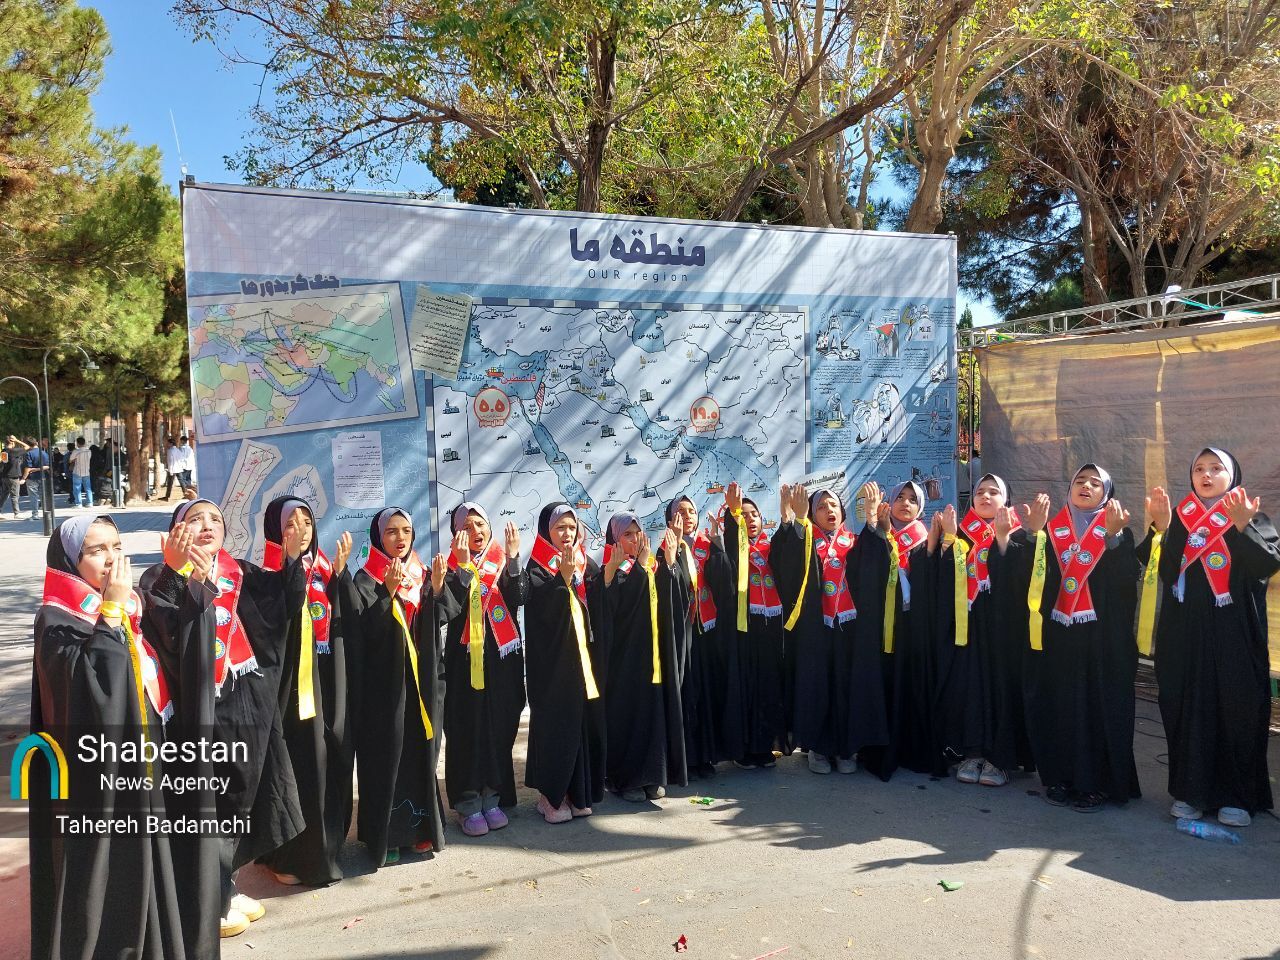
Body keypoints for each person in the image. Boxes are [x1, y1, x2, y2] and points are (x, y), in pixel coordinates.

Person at [30, 514, 216, 959]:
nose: (112, 558)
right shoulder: (57, 618)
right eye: (96, 551)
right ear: (72, 561)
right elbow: (90, 691)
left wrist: (174, 572)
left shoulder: (121, 603)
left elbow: (161, 632)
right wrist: (111, 613)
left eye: (116, 546)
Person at [139, 499, 307, 937]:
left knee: (239, 799)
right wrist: (182, 576)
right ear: (176, 532)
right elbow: (170, 635)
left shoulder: (241, 573)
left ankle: (226, 885)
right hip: (197, 713)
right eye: (194, 519)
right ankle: (206, 902)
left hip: (243, 706)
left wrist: (291, 559)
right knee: (207, 805)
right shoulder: (157, 580)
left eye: (215, 519)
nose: (207, 525)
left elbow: (280, 609)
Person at [1141, 449, 1280, 828]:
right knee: (1188, 706)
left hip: (1234, 631)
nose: (1206, 474)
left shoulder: (1249, 514)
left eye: (1216, 468)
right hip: (1186, 633)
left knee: (1237, 707)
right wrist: (1162, 527)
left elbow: (1268, 563)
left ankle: (1237, 796)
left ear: (1231, 475)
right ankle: (1190, 791)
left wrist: (1241, 527)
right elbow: (1164, 573)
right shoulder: (1181, 519)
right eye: (1199, 468)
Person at [991, 464, 1141, 812]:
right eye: (1079, 481)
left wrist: (1114, 539)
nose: (1085, 486)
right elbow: (1020, 580)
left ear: (1107, 493)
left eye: (1095, 482)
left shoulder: (1119, 531)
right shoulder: (1051, 531)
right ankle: (1060, 777)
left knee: (1097, 709)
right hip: (1058, 639)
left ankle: (1098, 783)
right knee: (1058, 707)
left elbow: (1124, 587)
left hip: (1101, 642)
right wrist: (1031, 534)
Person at [256, 497, 355, 885]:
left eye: (307, 520)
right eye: (290, 522)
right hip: (289, 693)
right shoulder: (264, 572)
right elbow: (280, 616)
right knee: (297, 766)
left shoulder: (325, 568)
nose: (300, 527)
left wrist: (341, 577)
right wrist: (292, 563)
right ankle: (291, 856)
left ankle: (327, 847)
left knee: (330, 759)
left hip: (325, 683)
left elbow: (343, 621)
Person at [348, 506, 447, 865]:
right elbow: (362, 635)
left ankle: (421, 831)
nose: (400, 538)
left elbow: (441, 618)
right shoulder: (365, 579)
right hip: (384, 689)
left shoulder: (420, 573)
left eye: (405, 530)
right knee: (385, 757)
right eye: (391, 531)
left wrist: (436, 591)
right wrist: (386, 594)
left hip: (420, 682)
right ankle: (383, 835)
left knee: (420, 754)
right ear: (378, 537)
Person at [773, 482, 882, 775]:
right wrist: (793, 520)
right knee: (816, 687)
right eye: (821, 506)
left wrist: (872, 520)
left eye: (833, 505)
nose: (828, 510)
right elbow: (786, 564)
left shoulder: (855, 542)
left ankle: (846, 749)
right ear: (811, 513)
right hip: (816, 629)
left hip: (849, 628)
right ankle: (818, 749)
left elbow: (875, 569)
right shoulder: (806, 540)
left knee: (847, 686)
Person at [933, 475, 1034, 787]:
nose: (986, 496)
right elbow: (941, 581)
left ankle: (999, 759)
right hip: (968, 628)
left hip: (1004, 631)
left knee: (1001, 688)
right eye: (980, 491)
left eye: (994, 491)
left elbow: (1026, 582)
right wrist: (948, 541)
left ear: (1006, 499)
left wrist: (1003, 541)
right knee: (968, 689)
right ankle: (971, 751)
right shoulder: (962, 532)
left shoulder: (1019, 532)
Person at [436, 502, 528, 837]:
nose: (476, 532)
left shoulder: (503, 562)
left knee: (499, 727)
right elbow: (445, 610)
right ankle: (467, 801)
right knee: (467, 730)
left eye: (480, 524)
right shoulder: (446, 568)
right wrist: (462, 570)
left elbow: (519, 598)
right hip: (464, 664)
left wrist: (516, 559)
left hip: (502, 661)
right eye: (468, 526)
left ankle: (492, 793)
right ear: (457, 533)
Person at [855, 480, 944, 779]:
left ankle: (912, 750)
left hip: (913, 628)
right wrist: (875, 529)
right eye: (900, 498)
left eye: (912, 499)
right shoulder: (879, 533)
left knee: (912, 686)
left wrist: (932, 550)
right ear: (890, 503)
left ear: (920, 507)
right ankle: (879, 749)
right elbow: (863, 573)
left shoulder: (925, 537)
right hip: (881, 627)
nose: (905, 504)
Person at [524, 502, 606, 822]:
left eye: (571, 527)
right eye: (560, 528)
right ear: (547, 531)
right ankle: (550, 796)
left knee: (579, 724)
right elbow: (541, 613)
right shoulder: (537, 568)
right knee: (556, 726)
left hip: (581, 661)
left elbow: (600, 603)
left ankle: (577, 792)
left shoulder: (586, 564)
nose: (567, 534)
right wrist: (562, 580)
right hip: (552, 668)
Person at [600, 511, 684, 802]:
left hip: (653, 657)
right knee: (628, 716)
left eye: (637, 533)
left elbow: (670, 599)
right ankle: (626, 780)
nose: (634, 539)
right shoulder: (612, 567)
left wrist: (667, 564)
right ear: (615, 538)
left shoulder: (649, 566)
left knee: (652, 716)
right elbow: (612, 607)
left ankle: (652, 775)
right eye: (627, 534)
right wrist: (641, 568)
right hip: (625, 661)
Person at [660, 495, 738, 780]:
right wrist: (677, 550)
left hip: (708, 631)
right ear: (670, 519)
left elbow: (724, 583)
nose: (688, 515)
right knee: (686, 693)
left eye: (691, 510)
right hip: (684, 634)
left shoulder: (707, 543)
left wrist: (718, 545)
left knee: (707, 693)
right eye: (680, 511)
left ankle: (707, 755)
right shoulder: (664, 549)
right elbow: (669, 588)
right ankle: (687, 758)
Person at [721, 482, 787, 768]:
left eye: (754, 514)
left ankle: (764, 746)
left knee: (768, 687)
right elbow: (732, 544)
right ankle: (744, 749)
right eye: (744, 515)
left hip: (771, 627)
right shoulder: (736, 550)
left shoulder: (772, 548)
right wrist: (733, 511)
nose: (750, 519)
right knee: (747, 687)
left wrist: (788, 517)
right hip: (744, 627)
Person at [21, 435, 49, 519]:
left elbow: (28, 468)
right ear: (36, 442)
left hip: (32, 478)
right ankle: (46, 514)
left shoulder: (29, 453)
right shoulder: (44, 453)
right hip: (42, 476)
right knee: (43, 495)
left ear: (28, 445)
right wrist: (37, 469)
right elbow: (47, 466)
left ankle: (35, 514)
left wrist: (23, 478)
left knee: (33, 496)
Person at [0, 435, 27, 518]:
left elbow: (3, 463)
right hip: (13, 476)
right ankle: (16, 513)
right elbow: (27, 446)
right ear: (12, 442)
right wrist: (17, 440)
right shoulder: (14, 451)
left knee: (4, 494)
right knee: (15, 495)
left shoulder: (4, 451)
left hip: (5, 476)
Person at [69, 437, 92, 508]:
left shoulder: (76, 451)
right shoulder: (89, 451)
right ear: (84, 443)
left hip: (77, 471)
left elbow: (70, 460)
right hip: (86, 471)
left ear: (77, 443)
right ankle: (90, 502)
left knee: (77, 488)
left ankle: (79, 503)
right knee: (88, 488)